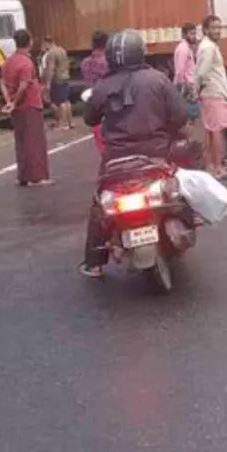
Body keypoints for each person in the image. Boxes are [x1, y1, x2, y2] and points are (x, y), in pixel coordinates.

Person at [79, 29, 191, 278]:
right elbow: (180, 116)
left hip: (116, 161)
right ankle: (188, 218)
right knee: (184, 179)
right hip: (156, 153)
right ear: (140, 52)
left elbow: (89, 118)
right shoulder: (158, 79)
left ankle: (94, 262)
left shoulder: (102, 86)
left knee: (99, 204)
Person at [0, 30, 53, 186]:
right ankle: (37, 176)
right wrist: (15, 101)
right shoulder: (26, 63)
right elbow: (23, 86)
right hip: (29, 104)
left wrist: (9, 101)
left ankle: (23, 175)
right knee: (34, 141)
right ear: (29, 42)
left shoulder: (8, 62)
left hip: (17, 109)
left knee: (21, 141)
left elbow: (2, 83)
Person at [196, 15, 227, 179]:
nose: (218, 31)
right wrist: (197, 88)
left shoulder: (207, 46)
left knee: (210, 130)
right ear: (205, 30)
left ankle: (210, 166)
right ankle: (218, 168)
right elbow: (202, 72)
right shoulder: (209, 48)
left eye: (219, 27)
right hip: (214, 93)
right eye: (214, 28)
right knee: (217, 131)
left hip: (210, 93)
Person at [40, 33, 73, 131]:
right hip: (65, 77)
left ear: (47, 43)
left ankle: (61, 124)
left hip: (57, 79)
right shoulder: (62, 50)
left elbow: (51, 69)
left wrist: (48, 83)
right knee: (66, 101)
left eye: (43, 44)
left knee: (60, 102)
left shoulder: (51, 54)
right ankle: (70, 123)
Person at [173, 23, 202, 125]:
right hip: (187, 86)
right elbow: (180, 70)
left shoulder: (186, 48)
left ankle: (188, 138)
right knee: (189, 116)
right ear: (184, 35)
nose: (194, 36)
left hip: (188, 85)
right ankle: (188, 139)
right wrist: (180, 87)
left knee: (191, 116)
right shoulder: (183, 49)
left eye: (195, 33)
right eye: (191, 34)